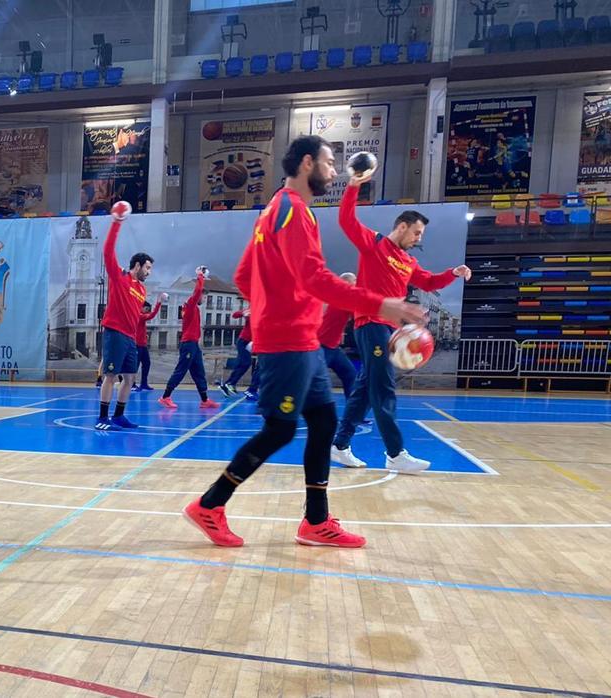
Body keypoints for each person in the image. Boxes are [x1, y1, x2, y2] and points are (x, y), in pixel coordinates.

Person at [183, 135, 424, 549]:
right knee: (279, 430)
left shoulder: (274, 210)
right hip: (287, 342)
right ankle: (209, 505)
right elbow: (313, 278)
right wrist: (381, 304)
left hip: (303, 341)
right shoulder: (292, 211)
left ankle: (316, 522)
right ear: (308, 163)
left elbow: (244, 276)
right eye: (331, 163)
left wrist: (279, 303)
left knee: (325, 422)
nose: (334, 171)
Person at [330, 172, 471, 473]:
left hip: (391, 330)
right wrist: (354, 185)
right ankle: (395, 453)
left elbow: (430, 281)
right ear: (402, 227)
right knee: (383, 388)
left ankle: (340, 445)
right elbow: (346, 220)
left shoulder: (408, 262)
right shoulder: (375, 244)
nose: (419, 239)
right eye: (417, 233)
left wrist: (453, 272)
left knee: (367, 388)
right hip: (370, 323)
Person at [96, 208, 152, 431]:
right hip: (115, 333)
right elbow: (108, 252)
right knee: (110, 376)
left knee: (129, 379)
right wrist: (117, 222)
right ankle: (102, 417)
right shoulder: (120, 278)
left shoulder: (142, 289)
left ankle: (119, 416)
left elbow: (136, 314)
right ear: (137, 265)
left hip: (130, 339)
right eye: (147, 267)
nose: (149, 272)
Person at [159, 266, 219, 410]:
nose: (204, 299)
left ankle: (204, 400)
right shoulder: (190, 305)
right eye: (204, 296)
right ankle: (165, 396)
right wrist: (200, 276)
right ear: (198, 295)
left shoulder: (194, 308)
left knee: (199, 372)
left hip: (194, 345)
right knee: (181, 370)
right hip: (188, 344)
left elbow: (198, 292)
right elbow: (197, 291)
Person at [319, 273, 360, 401]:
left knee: (350, 375)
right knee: (313, 380)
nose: (357, 283)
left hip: (333, 348)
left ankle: (352, 412)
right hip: (320, 347)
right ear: (346, 283)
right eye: (355, 280)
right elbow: (362, 312)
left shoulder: (338, 298)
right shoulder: (342, 298)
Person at [219, 307, 258, 400]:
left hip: (250, 343)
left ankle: (227, 385)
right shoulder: (252, 310)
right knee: (246, 362)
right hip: (243, 341)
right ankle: (231, 383)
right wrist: (243, 313)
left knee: (242, 364)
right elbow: (235, 315)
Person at [131, 298, 164, 392]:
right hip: (137, 345)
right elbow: (152, 315)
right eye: (146, 309)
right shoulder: (139, 315)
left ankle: (144, 383)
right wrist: (159, 303)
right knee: (135, 365)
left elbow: (140, 328)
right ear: (141, 307)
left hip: (142, 345)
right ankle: (132, 384)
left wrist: (144, 336)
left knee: (147, 363)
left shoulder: (141, 316)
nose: (147, 311)